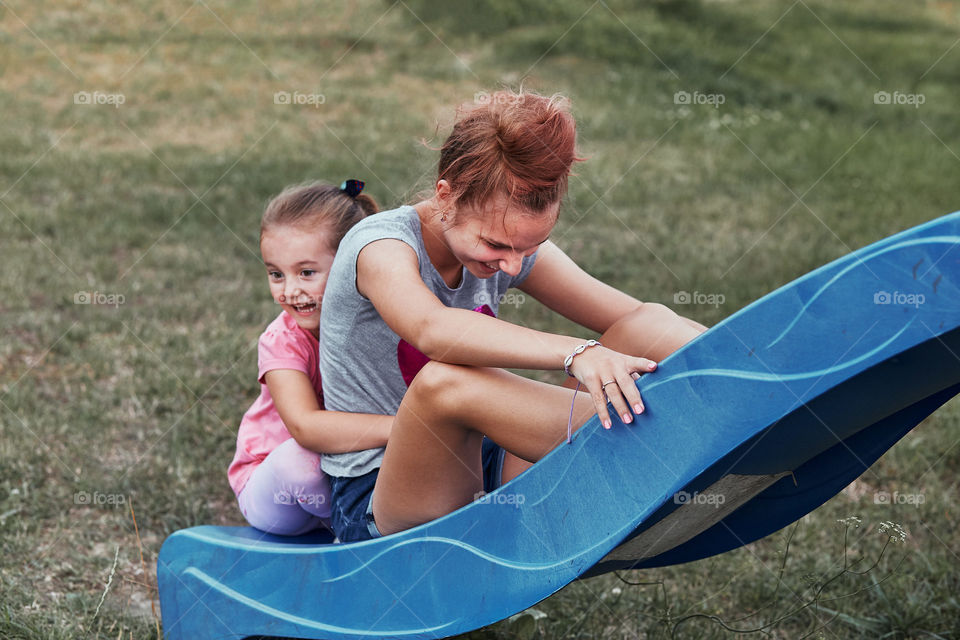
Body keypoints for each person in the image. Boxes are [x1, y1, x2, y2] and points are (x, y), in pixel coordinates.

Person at [319, 90, 707, 542]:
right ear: (446, 196)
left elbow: (633, 318)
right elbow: (432, 330)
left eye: (528, 247)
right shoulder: (380, 246)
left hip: (488, 464)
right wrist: (578, 351)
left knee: (648, 324)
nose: (512, 264)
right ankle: (673, 434)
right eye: (496, 246)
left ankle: (761, 391)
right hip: (381, 494)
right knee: (446, 382)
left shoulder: (508, 240)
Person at [228, 180, 394, 535]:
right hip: (275, 487)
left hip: (351, 463)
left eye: (306, 272)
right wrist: (404, 430)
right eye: (275, 274)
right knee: (301, 464)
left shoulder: (378, 323)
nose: (289, 291)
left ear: (353, 263)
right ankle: (351, 532)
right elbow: (306, 428)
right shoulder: (282, 340)